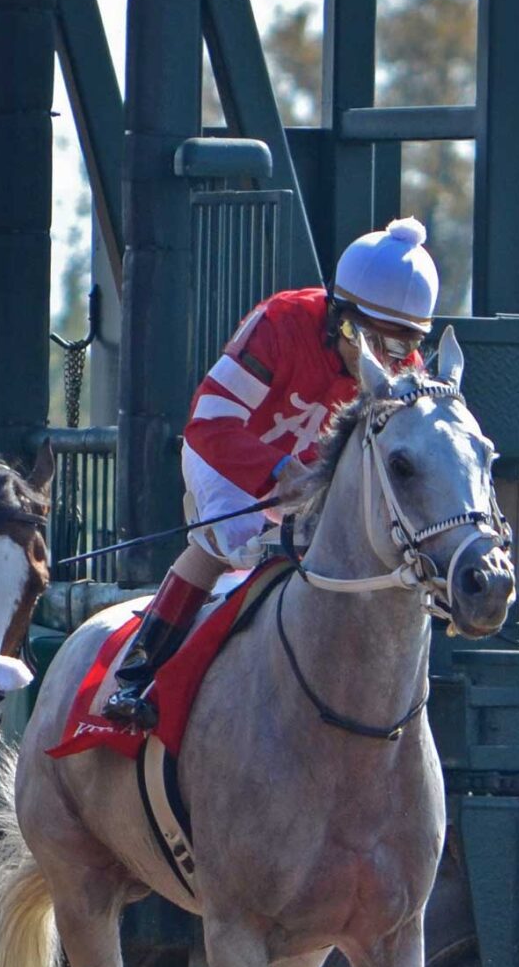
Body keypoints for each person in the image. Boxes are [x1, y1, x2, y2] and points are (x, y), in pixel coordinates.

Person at [101, 217, 438, 728]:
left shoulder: (405, 371)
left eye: (401, 348)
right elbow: (209, 425)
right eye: (371, 342)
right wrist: (280, 468)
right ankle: (140, 670)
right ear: (339, 317)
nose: (385, 363)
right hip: (231, 455)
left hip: (310, 480)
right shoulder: (281, 323)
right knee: (239, 537)